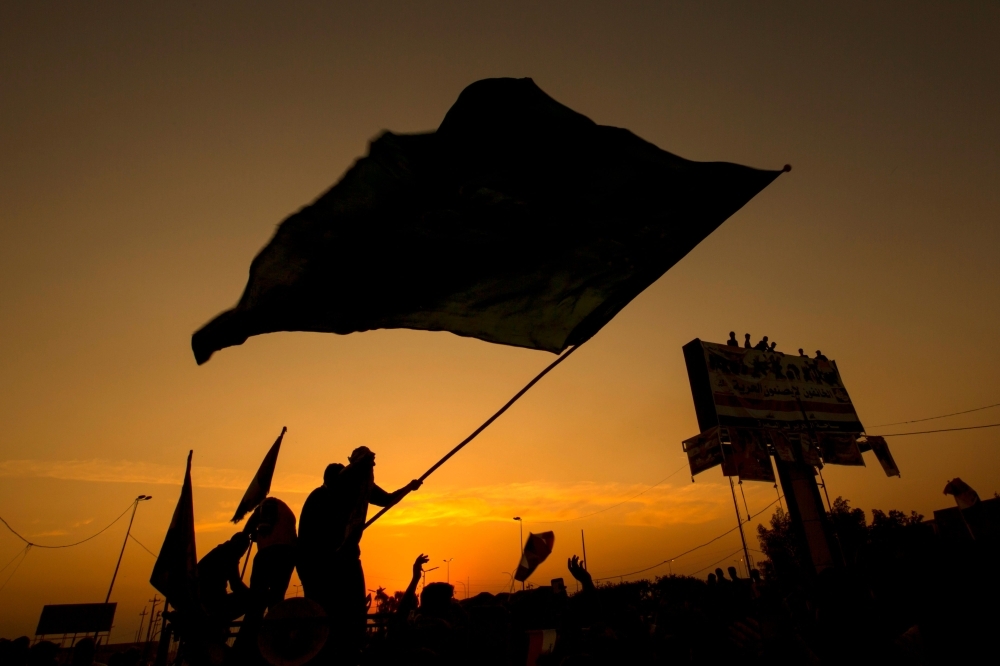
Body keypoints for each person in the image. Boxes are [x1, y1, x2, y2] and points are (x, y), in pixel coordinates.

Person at [304, 448, 421, 663]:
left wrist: (409, 488)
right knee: (328, 608)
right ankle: (326, 650)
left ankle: (352, 647)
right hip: (324, 563)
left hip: (348, 557)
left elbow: (387, 499)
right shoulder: (319, 497)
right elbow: (309, 539)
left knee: (355, 607)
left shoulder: (358, 488)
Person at [197, 533, 251, 631]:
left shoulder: (221, 551)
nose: (242, 553)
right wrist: (254, 596)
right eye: (243, 549)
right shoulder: (228, 554)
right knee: (250, 600)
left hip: (204, 598)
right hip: (210, 602)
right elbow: (236, 585)